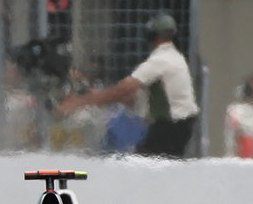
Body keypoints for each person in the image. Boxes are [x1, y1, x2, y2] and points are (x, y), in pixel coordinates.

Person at [57, 13, 198, 158]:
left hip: (170, 125)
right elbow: (133, 96)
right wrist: (100, 95)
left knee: (141, 166)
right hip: (181, 124)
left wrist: (80, 101)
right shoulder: (175, 57)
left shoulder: (160, 60)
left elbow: (124, 89)